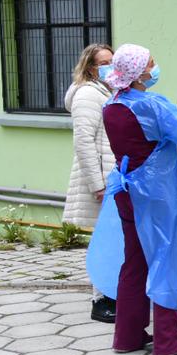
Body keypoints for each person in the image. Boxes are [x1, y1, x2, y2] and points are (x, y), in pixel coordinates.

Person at [85, 44, 177, 355]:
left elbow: (148, 137)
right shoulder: (152, 103)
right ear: (138, 73)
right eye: (150, 63)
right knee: (165, 258)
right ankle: (168, 340)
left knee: (134, 262)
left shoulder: (113, 105)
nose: (154, 67)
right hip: (156, 195)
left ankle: (128, 335)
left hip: (126, 191)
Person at [63, 43, 117, 322]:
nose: (109, 66)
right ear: (90, 67)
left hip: (111, 174)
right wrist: (98, 184)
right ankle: (101, 299)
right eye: (103, 62)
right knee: (105, 242)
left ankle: (114, 294)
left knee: (113, 239)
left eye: (112, 60)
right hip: (101, 180)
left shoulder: (106, 91)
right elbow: (83, 141)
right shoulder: (87, 94)